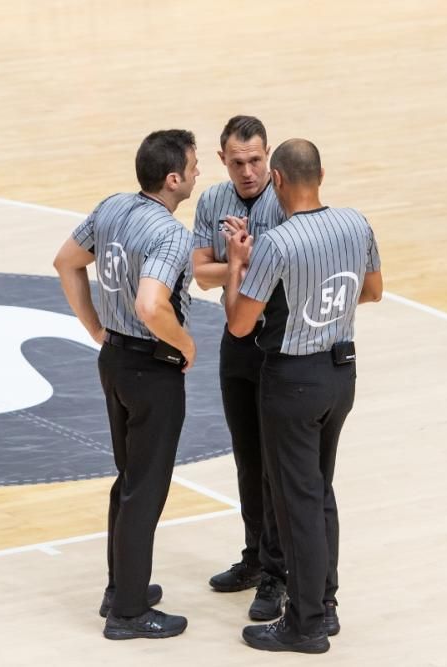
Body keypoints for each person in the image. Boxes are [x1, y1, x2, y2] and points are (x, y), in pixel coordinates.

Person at [223, 138, 383, 654]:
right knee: (320, 492)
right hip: (342, 374)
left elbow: (241, 324)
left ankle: (306, 623)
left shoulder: (279, 242)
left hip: (293, 380)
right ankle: (327, 604)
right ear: (321, 174)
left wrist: (236, 265)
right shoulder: (357, 223)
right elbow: (374, 289)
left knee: (296, 503)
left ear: (279, 181)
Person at [53, 129, 199, 640]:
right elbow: (150, 305)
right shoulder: (170, 234)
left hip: (114, 360)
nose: (200, 173)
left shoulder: (113, 206)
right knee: (145, 489)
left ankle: (121, 589)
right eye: (195, 166)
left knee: (128, 480)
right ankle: (130, 614)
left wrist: (94, 327)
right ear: (174, 178)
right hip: (151, 369)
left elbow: (66, 261)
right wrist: (186, 345)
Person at [192, 115, 288, 621]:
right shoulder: (211, 201)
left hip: (279, 339)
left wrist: (236, 264)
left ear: (268, 153)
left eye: (255, 160)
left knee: (276, 465)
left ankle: (278, 574)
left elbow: (290, 270)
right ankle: (255, 558)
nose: (248, 171)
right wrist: (239, 263)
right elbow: (199, 272)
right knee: (248, 461)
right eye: (237, 162)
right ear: (221, 159)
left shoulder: (287, 194)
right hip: (236, 341)